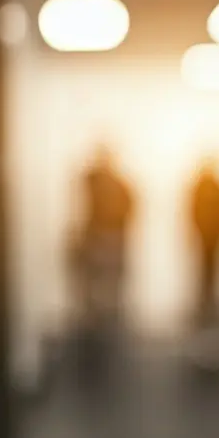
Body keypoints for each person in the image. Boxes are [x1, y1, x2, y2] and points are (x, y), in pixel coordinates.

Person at [69, 144, 135, 348]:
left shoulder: (120, 184)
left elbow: (129, 209)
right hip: (97, 239)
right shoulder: (94, 179)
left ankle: (108, 321)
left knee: (109, 284)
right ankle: (95, 322)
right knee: (93, 284)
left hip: (110, 239)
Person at [189, 157, 219, 326]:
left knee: (212, 274)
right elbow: (193, 210)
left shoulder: (213, 186)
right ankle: (204, 308)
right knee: (203, 274)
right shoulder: (203, 186)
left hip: (213, 238)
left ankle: (210, 308)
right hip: (205, 238)